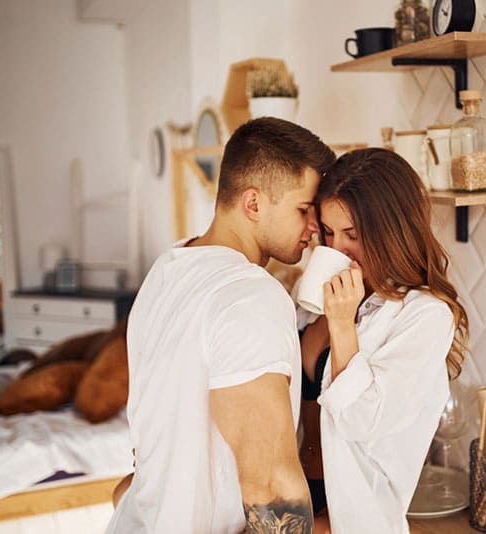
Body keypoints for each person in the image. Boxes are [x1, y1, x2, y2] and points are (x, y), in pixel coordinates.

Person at [106, 117, 336, 534]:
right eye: (304, 210)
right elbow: (271, 488)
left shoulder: (168, 268)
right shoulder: (250, 296)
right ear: (253, 204)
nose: (314, 227)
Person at [297, 148, 469, 533]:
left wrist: (342, 323)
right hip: (293, 493)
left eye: (353, 235)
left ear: (390, 232)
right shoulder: (314, 302)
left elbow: (364, 421)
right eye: (328, 232)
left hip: (350, 515)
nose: (337, 249)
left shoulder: (424, 316)